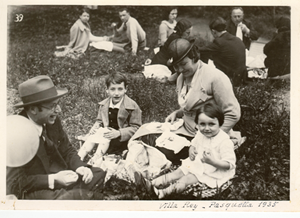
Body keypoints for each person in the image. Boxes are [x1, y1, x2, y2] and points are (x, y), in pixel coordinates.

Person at [6, 75, 107, 200]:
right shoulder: (15, 133)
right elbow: (14, 183)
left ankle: (71, 198)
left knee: (97, 174)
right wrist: (53, 179)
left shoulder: (52, 120)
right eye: (52, 106)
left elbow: (67, 149)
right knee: (72, 196)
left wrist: (80, 167)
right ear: (33, 109)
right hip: (36, 188)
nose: (58, 110)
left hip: (60, 178)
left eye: (57, 104)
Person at [162, 38, 240, 164]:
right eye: (176, 66)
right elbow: (194, 105)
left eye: (183, 64)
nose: (180, 69)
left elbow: (233, 113)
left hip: (206, 134)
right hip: (186, 128)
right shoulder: (181, 78)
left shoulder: (215, 77)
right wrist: (178, 113)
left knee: (165, 151)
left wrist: (212, 138)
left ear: (194, 57)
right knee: (147, 134)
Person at [148, 103, 236, 199]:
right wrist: (191, 149)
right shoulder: (200, 134)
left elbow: (229, 165)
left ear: (220, 123)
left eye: (211, 124)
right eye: (202, 124)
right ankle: (152, 184)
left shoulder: (224, 142)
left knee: (185, 179)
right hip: (197, 164)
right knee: (177, 172)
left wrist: (213, 162)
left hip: (212, 171)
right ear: (197, 124)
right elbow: (194, 143)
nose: (206, 128)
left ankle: (163, 192)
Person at [78, 72, 142, 165]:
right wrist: (94, 128)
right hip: (108, 134)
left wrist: (119, 133)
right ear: (107, 90)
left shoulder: (132, 106)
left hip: (122, 139)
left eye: (120, 89)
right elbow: (99, 121)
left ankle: (95, 159)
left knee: (104, 139)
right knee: (91, 138)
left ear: (125, 89)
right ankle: (79, 156)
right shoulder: (104, 105)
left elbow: (136, 127)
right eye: (112, 89)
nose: (116, 93)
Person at [199, 17, 247, 86]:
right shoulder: (237, 39)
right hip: (240, 78)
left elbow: (202, 50)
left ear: (213, 31)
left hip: (229, 79)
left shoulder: (219, 42)